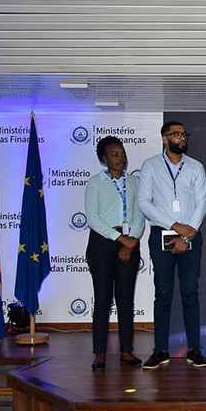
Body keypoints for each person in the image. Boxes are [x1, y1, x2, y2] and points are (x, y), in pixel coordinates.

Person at [138, 121, 206, 369]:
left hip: (191, 235)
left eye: (184, 134)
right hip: (162, 235)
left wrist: (186, 236)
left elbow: (201, 204)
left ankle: (194, 348)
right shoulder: (151, 166)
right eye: (176, 134)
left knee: (190, 293)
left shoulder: (196, 167)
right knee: (163, 294)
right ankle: (161, 350)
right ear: (165, 139)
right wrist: (174, 226)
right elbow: (144, 203)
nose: (182, 138)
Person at [85, 136, 145, 370]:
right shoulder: (95, 183)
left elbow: (139, 215)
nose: (121, 158)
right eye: (115, 155)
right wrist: (120, 239)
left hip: (129, 243)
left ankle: (126, 351)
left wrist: (130, 243)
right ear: (104, 159)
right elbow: (93, 219)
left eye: (122, 154)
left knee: (125, 299)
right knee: (102, 299)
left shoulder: (135, 182)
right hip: (102, 243)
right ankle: (99, 354)